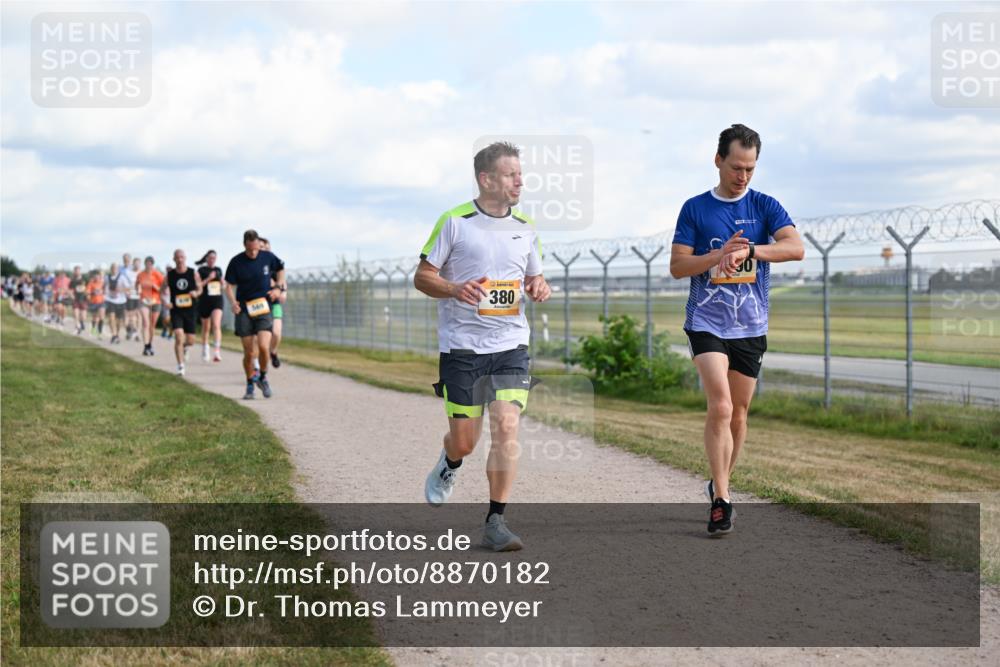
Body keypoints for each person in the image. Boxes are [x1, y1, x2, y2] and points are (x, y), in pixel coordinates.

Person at [414, 141, 551, 552]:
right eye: (511, 175)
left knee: (507, 426)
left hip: (511, 344)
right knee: (465, 441)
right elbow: (422, 277)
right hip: (462, 348)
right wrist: (454, 288)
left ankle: (496, 521)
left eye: (520, 174)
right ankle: (451, 461)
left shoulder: (525, 227)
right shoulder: (455, 222)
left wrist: (538, 285)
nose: (519, 181)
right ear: (486, 179)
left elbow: (533, 279)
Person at [669, 124, 804, 536]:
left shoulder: (766, 206)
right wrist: (716, 257)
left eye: (750, 168)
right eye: (735, 167)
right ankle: (723, 500)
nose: (742, 176)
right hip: (707, 322)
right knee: (722, 406)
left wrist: (751, 250)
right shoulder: (695, 208)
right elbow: (678, 267)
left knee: (740, 414)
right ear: (718, 161)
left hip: (750, 325)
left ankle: (719, 480)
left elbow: (795, 248)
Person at [224, 229, 285, 400]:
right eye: (250, 249)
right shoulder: (236, 262)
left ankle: (263, 377)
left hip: (263, 307)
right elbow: (228, 285)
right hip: (244, 309)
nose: (253, 252)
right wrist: (233, 302)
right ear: (245, 246)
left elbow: (281, 270)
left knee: (264, 347)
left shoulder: (267, 257)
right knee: (249, 352)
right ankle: (250, 383)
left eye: (256, 249)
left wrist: (278, 288)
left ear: (259, 244)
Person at [163, 249, 202, 376]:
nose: (180, 260)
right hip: (176, 310)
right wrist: (165, 302)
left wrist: (196, 293)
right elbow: (161, 290)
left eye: (182, 257)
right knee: (179, 336)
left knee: (190, 341)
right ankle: (180, 366)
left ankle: (184, 347)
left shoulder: (193, 273)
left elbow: (200, 288)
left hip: (190, 310)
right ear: (174, 259)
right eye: (177, 257)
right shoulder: (170, 275)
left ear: (185, 258)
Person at [259, 238, 285, 368]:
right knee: (260, 338)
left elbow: (282, 282)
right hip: (258, 305)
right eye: (263, 248)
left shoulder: (274, 266)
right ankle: (259, 368)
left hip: (274, 304)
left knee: (276, 333)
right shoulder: (253, 266)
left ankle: (273, 352)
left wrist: (281, 291)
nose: (266, 251)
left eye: (268, 249)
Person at [195, 250, 225, 362]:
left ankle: (217, 351)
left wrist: (223, 283)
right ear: (206, 258)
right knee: (206, 327)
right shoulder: (201, 270)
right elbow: (198, 286)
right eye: (210, 257)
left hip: (217, 299)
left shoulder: (219, 270)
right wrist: (208, 279)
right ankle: (205, 348)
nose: (212, 260)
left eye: (214, 258)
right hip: (205, 301)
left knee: (216, 325)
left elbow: (223, 286)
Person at [136, 256, 165, 356]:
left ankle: (150, 345)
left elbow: (164, 288)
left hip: (156, 301)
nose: (148, 265)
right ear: (145, 264)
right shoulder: (141, 274)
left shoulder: (157, 274)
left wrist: (155, 287)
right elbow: (137, 284)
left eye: (150, 263)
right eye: (147, 263)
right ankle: (145, 346)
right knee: (145, 323)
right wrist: (138, 290)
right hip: (144, 300)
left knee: (152, 326)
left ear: (153, 264)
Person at [104, 262, 127, 344]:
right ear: (111, 269)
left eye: (116, 268)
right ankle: (114, 335)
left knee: (119, 320)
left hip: (121, 301)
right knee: (111, 317)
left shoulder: (122, 277)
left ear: (118, 269)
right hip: (110, 300)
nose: (114, 269)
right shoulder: (107, 277)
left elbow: (128, 288)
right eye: (113, 268)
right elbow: (104, 286)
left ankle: (116, 334)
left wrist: (121, 290)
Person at [120, 254, 140, 340]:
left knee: (137, 315)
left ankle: (136, 332)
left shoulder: (139, 272)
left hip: (138, 296)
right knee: (128, 316)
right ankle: (130, 330)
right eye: (125, 259)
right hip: (128, 296)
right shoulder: (124, 271)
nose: (126, 261)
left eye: (128, 259)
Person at [86, 270, 106, 338]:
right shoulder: (91, 283)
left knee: (102, 317)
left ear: (99, 277)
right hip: (93, 302)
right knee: (95, 317)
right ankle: (93, 329)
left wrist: (104, 293)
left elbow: (106, 290)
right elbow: (88, 292)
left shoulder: (102, 283)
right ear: (94, 277)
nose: (97, 278)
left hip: (101, 302)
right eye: (95, 276)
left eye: (98, 276)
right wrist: (90, 295)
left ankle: (100, 332)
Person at [69, 266, 88, 334]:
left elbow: (89, 287)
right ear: (74, 271)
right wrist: (71, 295)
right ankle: (78, 327)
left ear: (80, 271)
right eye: (76, 270)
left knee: (83, 317)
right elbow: (70, 289)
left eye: (78, 270)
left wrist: (87, 293)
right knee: (75, 315)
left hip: (83, 299)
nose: (77, 272)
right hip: (76, 299)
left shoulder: (85, 278)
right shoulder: (72, 280)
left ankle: (82, 322)